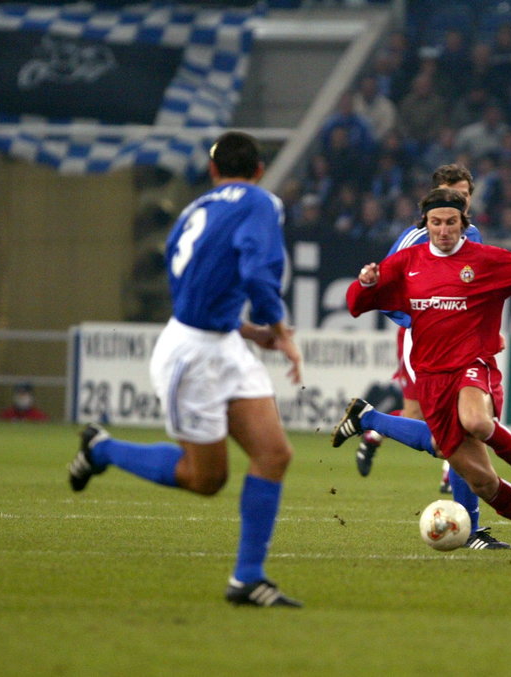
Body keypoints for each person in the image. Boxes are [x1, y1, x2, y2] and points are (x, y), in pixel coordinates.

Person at [67, 132, 304, 607]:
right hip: (194, 355)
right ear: (258, 170)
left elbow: (199, 291)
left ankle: (247, 579)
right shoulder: (261, 202)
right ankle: (104, 449)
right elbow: (260, 275)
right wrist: (281, 329)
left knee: (274, 455)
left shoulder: (194, 211)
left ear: (213, 172)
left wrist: (250, 333)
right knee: (205, 479)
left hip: (219, 341)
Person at [334, 187, 511, 559]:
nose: (443, 230)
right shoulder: (408, 262)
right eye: (436, 222)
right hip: (430, 380)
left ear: (463, 223)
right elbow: (355, 305)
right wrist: (366, 284)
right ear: (425, 224)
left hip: (471, 364)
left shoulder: (482, 258)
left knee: (476, 421)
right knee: (482, 482)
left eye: (451, 222)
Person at [356, 164, 511, 550]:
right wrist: (423, 318)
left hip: (462, 345)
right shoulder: (415, 238)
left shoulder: (470, 235)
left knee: (463, 430)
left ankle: (471, 527)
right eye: (448, 194)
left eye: (463, 196)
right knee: (452, 438)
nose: (455, 203)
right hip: (425, 343)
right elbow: (387, 292)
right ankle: (370, 419)